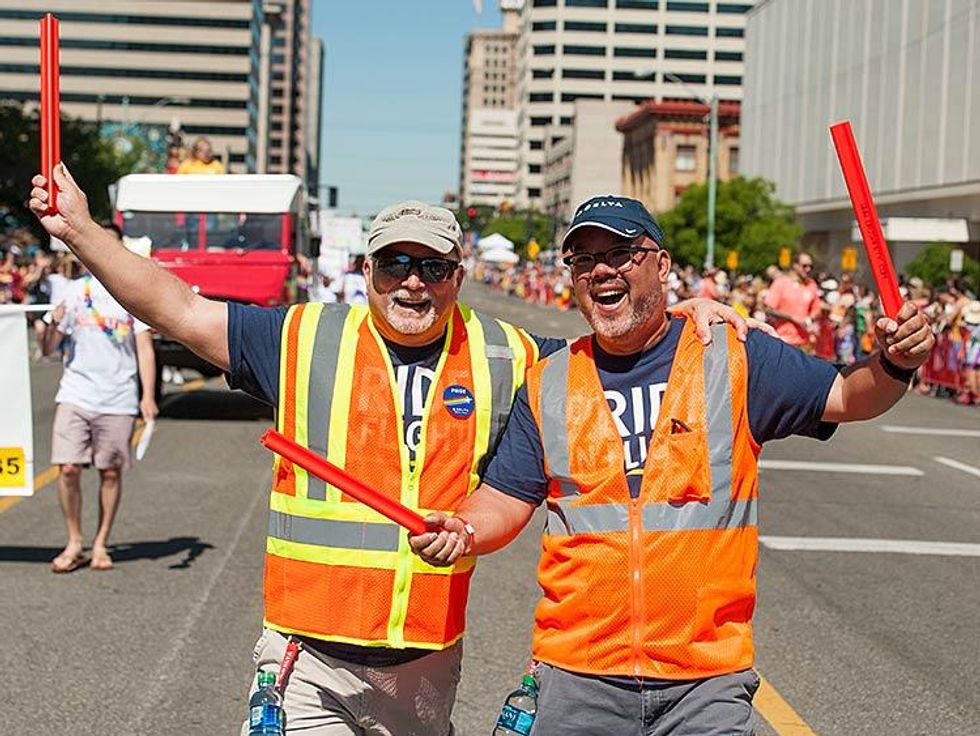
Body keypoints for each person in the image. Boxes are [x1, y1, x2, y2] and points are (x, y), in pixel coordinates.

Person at [30, 169, 757, 734]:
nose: (413, 280)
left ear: (458, 277)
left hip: (426, 668)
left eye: (432, 267)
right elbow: (176, 308)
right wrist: (82, 230)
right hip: (307, 658)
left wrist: (679, 311)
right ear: (368, 269)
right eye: (394, 263)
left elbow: (616, 348)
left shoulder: (512, 355)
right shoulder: (303, 339)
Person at [410, 196, 934, 736]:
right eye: (583, 260)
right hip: (577, 675)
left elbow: (848, 396)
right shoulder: (550, 379)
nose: (601, 270)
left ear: (661, 266)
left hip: (705, 683)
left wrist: (896, 361)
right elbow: (504, 496)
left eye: (620, 253)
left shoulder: (731, 354)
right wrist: (465, 528)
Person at [43, 223, 158, 573]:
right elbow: (48, 349)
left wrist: (147, 396)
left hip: (118, 396)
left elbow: (144, 348)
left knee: (109, 473)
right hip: (76, 392)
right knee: (68, 469)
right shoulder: (74, 292)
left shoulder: (131, 292)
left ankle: (101, 542)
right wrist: (51, 324)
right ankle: (74, 540)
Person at [765, 251, 821, 352]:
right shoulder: (781, 282)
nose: (808, 269)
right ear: (795, 265)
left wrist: (810, 320)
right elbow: (768, 310)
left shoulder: (811, 285)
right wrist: (792, 318)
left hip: (804, 342)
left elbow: (816, 309)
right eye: (804, 266)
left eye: (810, 266)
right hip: (783, 339)